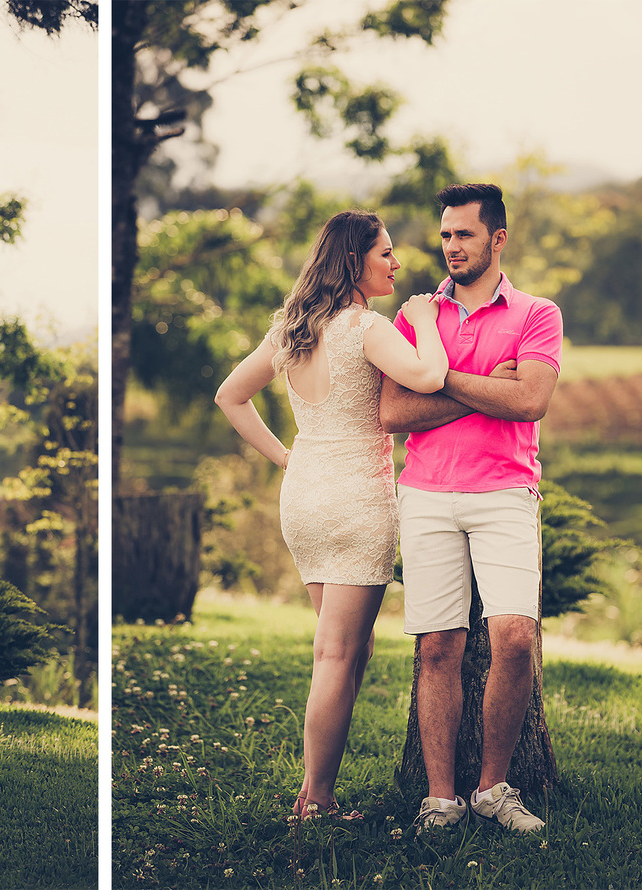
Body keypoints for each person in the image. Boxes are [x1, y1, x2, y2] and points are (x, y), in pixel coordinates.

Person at [215, 210, 449, 819]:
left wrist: (285, 456)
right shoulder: (365, 327)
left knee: (345, 648)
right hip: (355, 499)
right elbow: (428, 374)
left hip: (305, 495)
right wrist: (422, 319)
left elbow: (230, 396)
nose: (395, 264)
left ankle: (314, 791)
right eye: (386, 253)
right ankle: (315, 800)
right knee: (337, 655)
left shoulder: (293, 328)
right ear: (354, 261)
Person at [380, 183, 562, 833]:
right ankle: (440, 800)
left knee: (514, 638)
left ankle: (493, 789)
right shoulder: (416, 316)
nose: (451, 246)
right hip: (427, 492)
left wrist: (443, 378)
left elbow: (531, 402)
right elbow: (395, 411)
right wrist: (494, 386)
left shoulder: (538, 313)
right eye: (446, 234)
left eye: (465, 234)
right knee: (438, 647)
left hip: (507, 492)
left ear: (498, 238)